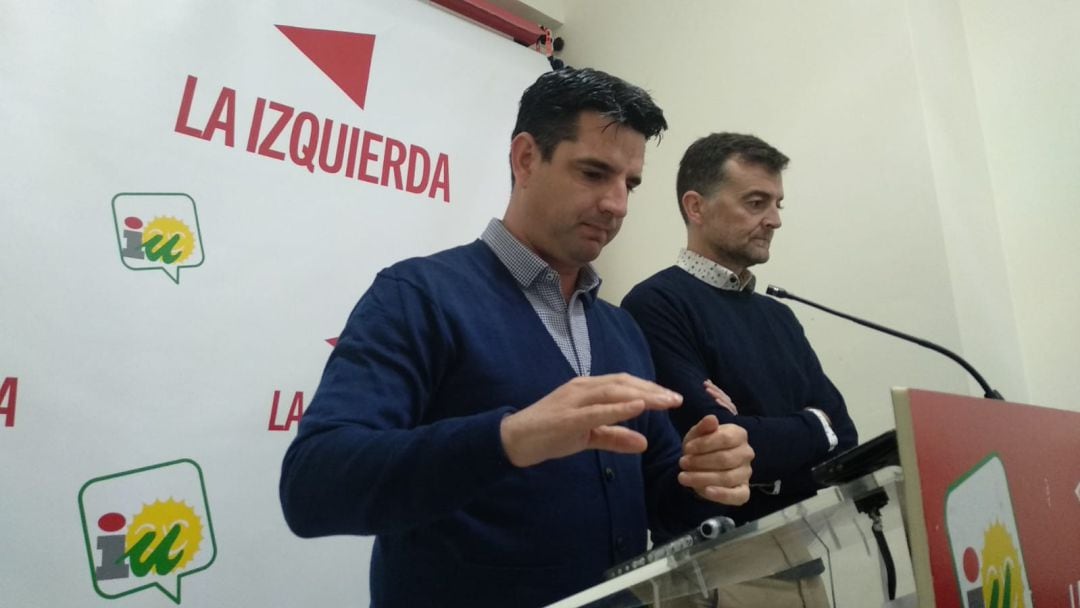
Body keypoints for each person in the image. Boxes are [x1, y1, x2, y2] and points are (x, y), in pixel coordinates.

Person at [279, 69, 754, 608]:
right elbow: (312, 487)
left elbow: (656, 492)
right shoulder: (418, 295)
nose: (617, 204)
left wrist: (701, 477)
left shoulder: (620, 329)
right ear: (526, 159)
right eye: (595, 173)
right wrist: (507, 439)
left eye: (630, 184)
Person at [621, 133, 858, 607]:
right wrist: (812, 425)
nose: (773, 220)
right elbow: (716, 443)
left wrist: (768, 435)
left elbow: (845, 437)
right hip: (714, 572)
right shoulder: (656, 305)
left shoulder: (779, 316)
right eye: (755, 202)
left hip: (802, 561)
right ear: (696, 207)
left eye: (777, 204)